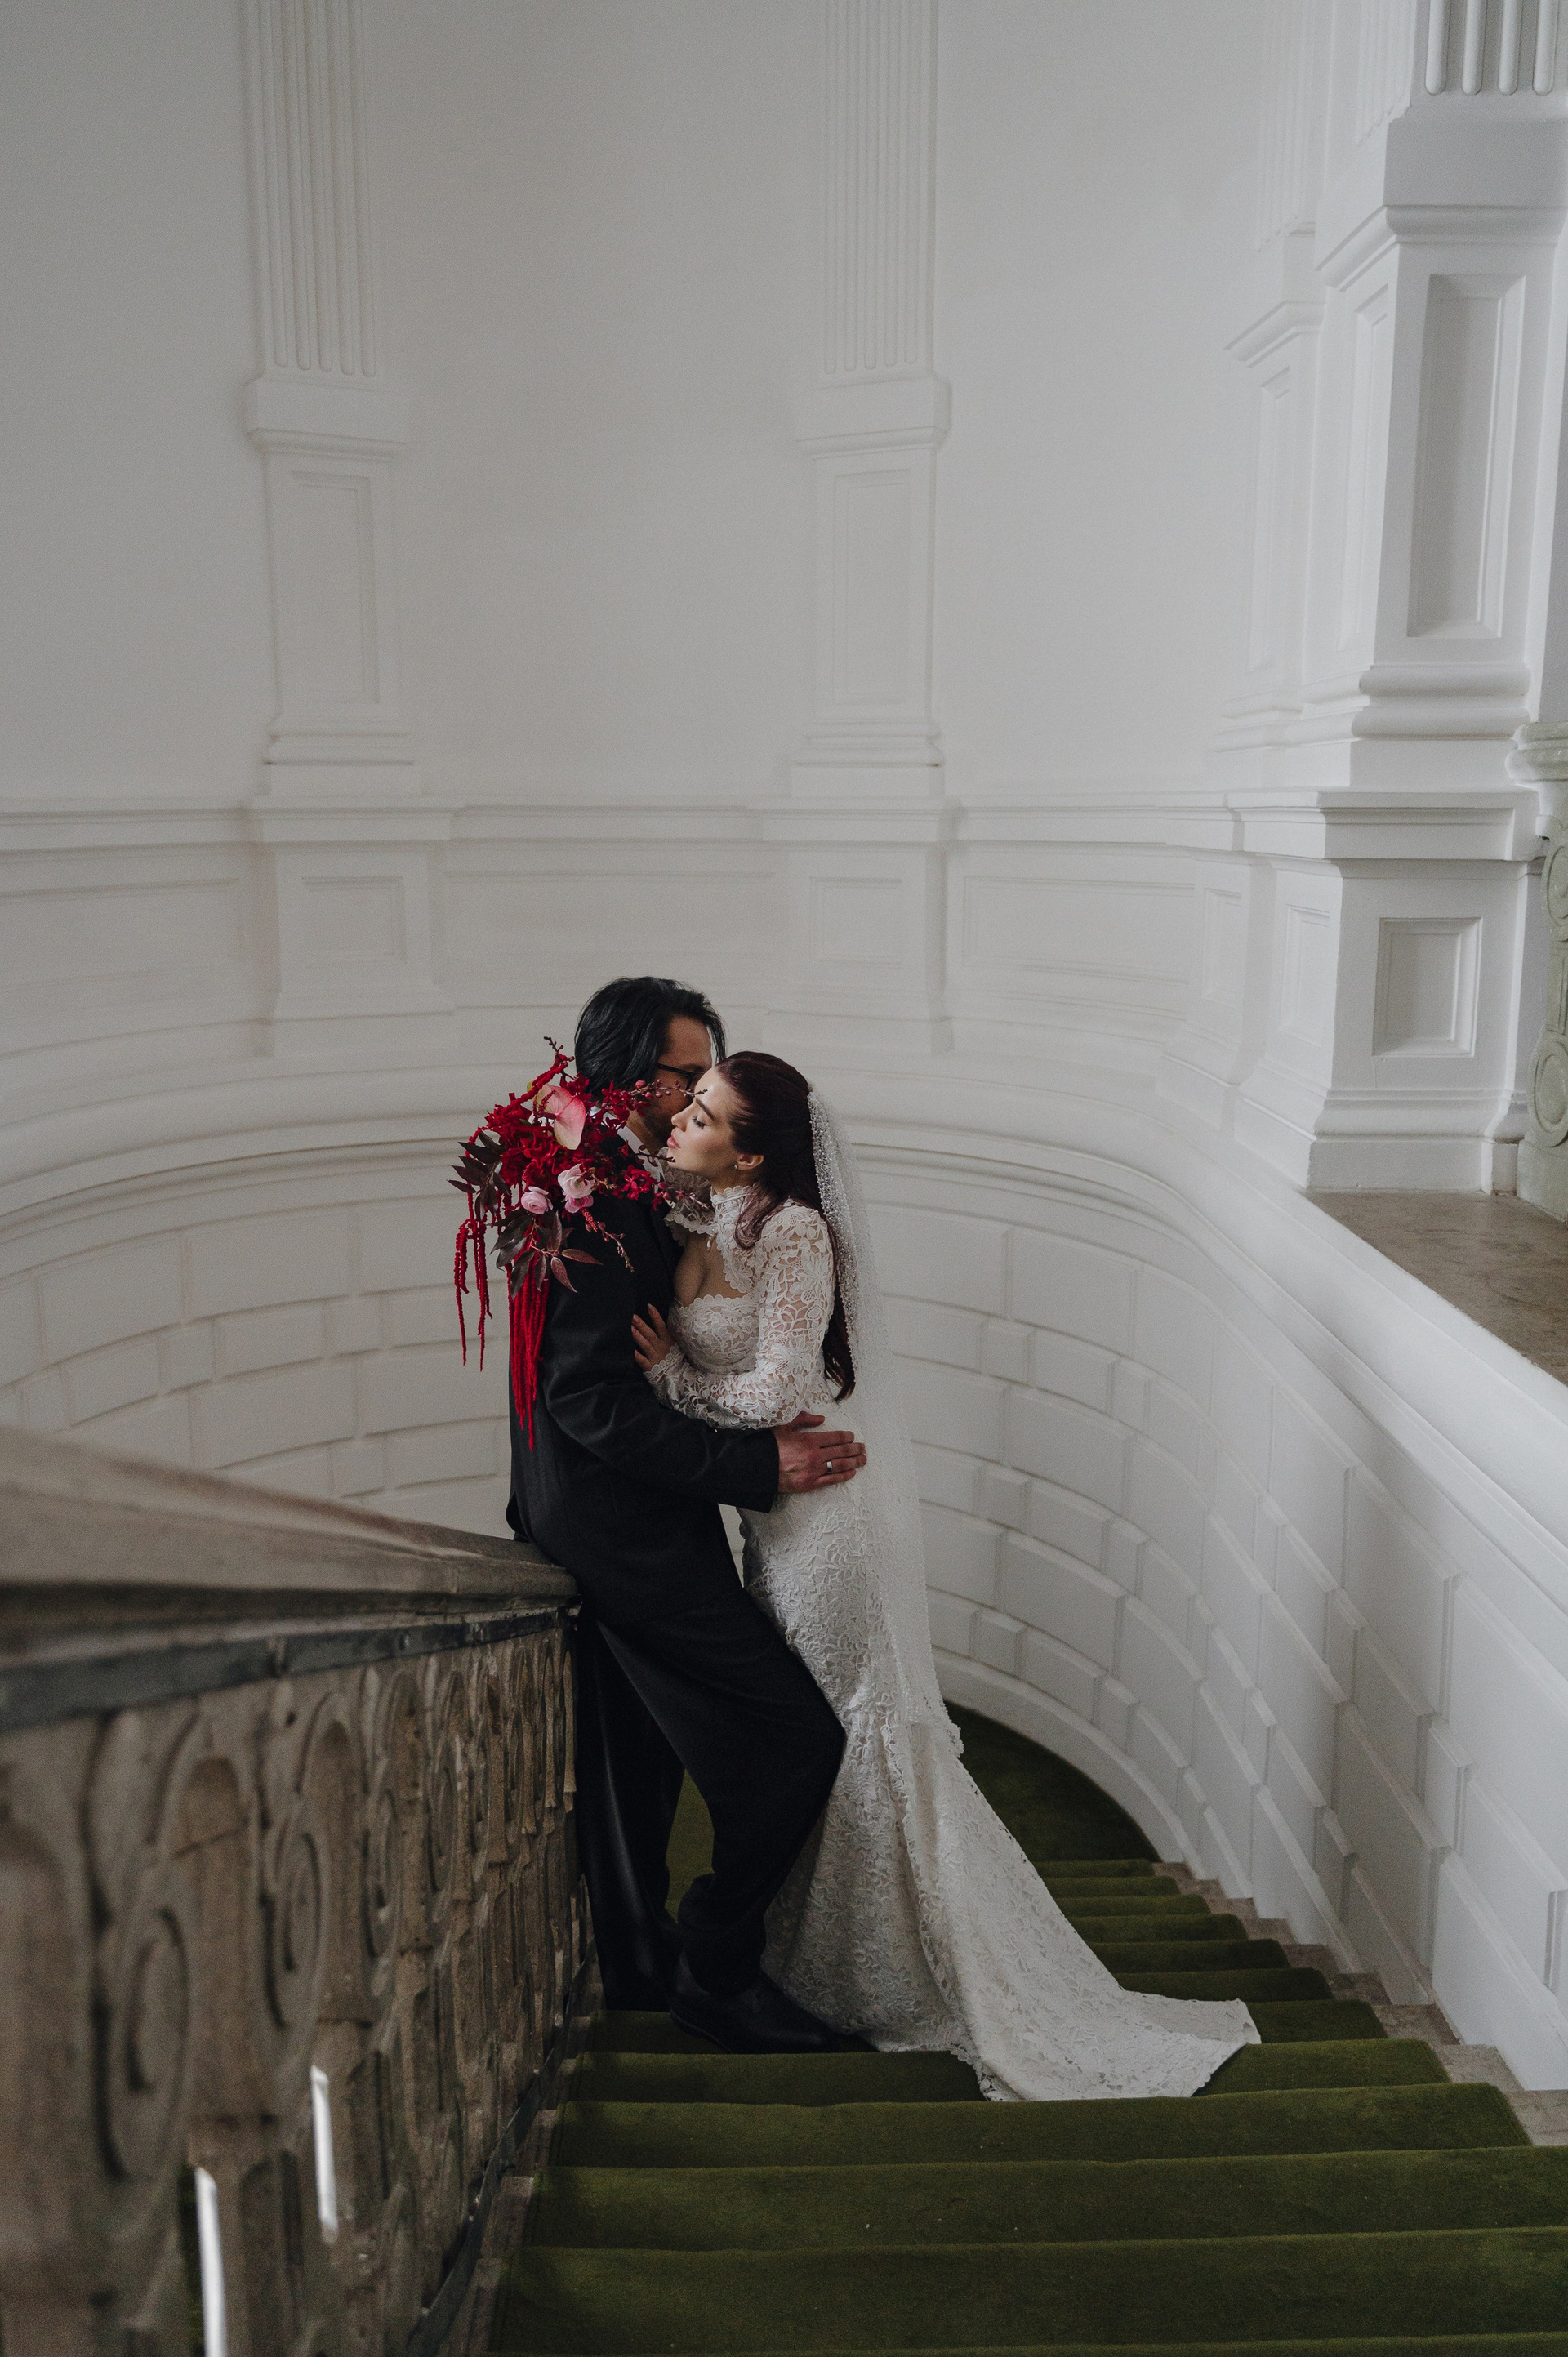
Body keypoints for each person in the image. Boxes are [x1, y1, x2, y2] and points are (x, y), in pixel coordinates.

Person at [630, 1049, 1260, 2100]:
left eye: (702, 1111)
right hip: (774, 1523)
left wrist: (668, 1380)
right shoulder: (711, 1211)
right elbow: (650, 1184)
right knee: (808, 1733)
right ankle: (816, 1957)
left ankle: (909, 1970)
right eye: (688, 1102)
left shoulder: (794, 1230)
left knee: (853, 1725)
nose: (680, 1117)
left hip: (829, 1522)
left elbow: (780, 1390)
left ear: (751, 1153)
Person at [506, 977, 867, 2055]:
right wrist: (754, 1464)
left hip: (609, 1508)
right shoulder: (589, 1200)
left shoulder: (607, 1178)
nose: (699, 1092)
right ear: (632, 1077)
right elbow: (588, 1399)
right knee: (792, 1741)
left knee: (636, 1761)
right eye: (688, 1075)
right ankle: (717, 1968)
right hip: (619, 1527)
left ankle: (636, 1964)